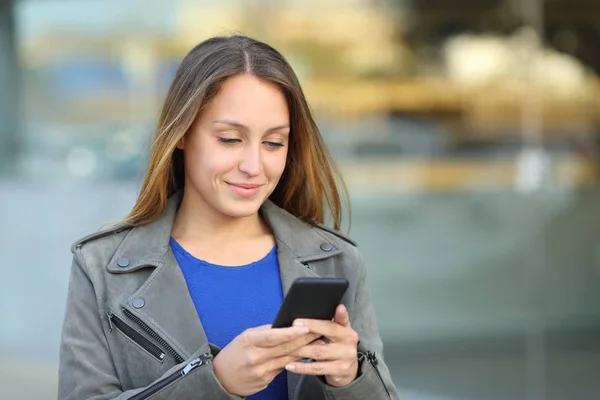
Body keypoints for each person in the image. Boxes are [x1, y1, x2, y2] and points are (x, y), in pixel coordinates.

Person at [58, 35, 399, 400]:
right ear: (182, 133)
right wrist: (213, 382)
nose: (254, 166)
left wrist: (351, 378)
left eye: (273, 143)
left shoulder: (336, 261)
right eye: (230, 139)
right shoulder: (103, 268)